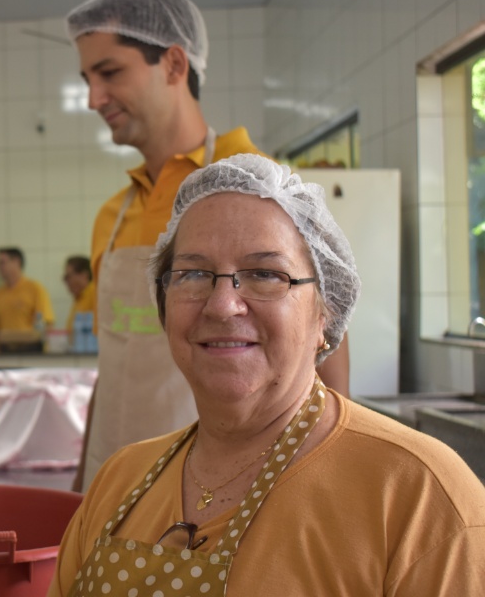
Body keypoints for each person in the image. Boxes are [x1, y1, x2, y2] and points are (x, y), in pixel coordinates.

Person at [48, 154, 485, 596]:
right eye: (194, 273)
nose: (221, 305)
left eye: (264, 274)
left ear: (324, 315)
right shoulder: (118, 482)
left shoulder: (420, 497)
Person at [66, 0, 350, 491]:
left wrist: (315, 490)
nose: (93, 98)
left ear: (174, 65)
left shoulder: (264, 192)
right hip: (114, 481)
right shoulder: (113, 214)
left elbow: (328, 362)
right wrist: (82, 488)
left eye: (109, 73)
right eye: (87, 78)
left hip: (227, 492)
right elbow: (113, 367)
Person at [0, 247, 55, 349]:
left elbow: (46, 325)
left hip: (30, 350)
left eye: (2, 263)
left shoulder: (35, 289)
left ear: (16, 262)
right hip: (6, 351)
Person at [62, 255, 97, 333]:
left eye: (68, 276)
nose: (65, 281)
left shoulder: (95, 294)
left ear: (84, 275)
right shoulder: (79, 298)